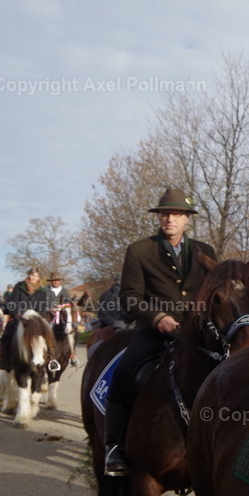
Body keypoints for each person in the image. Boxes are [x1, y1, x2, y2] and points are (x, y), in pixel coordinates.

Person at [102, 188, 216, 476]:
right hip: (155, 332)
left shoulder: (207, 253)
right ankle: (114, 446)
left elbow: (215, 294)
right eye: (165, 213)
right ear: (159, 217)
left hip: (195, 334)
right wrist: (157, 317)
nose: (170, 219)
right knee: (124, 373)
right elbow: (129, 297)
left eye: (177, 214)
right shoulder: (139, 251)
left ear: (187, 219)